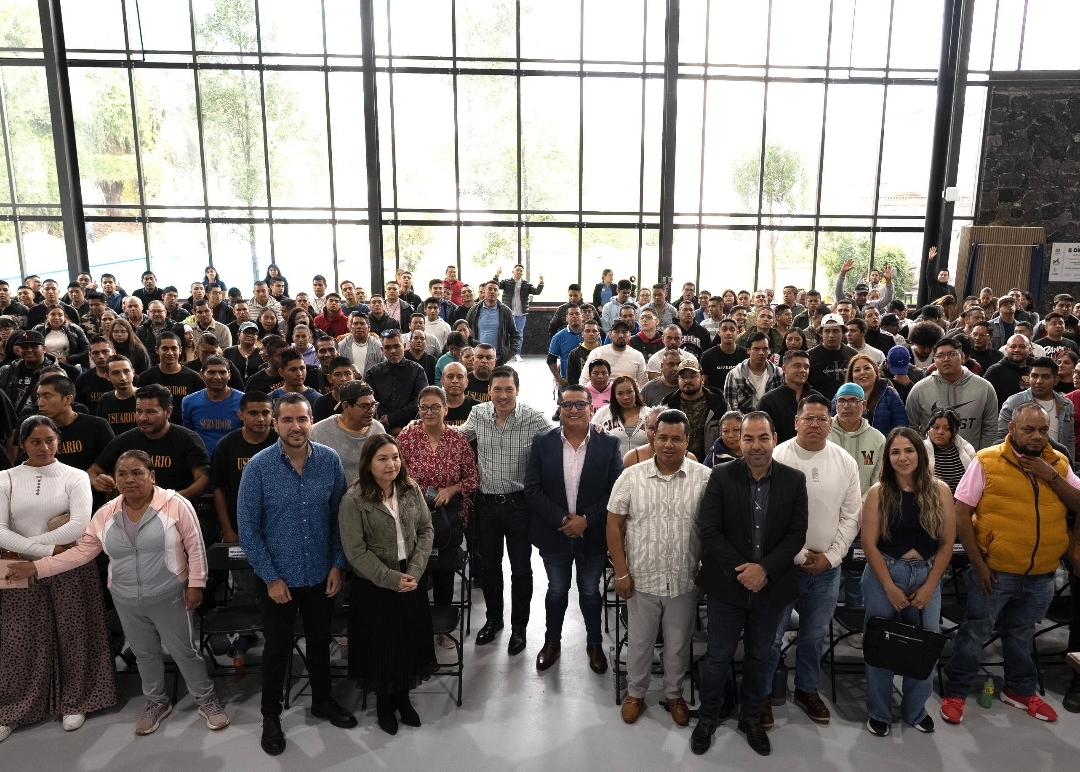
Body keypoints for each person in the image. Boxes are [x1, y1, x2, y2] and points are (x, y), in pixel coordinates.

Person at [7, 448, 229, 736]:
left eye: (137, 473)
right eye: (122, 474)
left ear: (152, 476)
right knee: (144, 654)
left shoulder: (175, 504)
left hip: (169, 593)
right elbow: (82, 553)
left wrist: (196, 585)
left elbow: (195, 547)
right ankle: (156, 702)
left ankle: (206, 699)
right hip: (125, 598)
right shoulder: (106, 513)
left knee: (185, 651)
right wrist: (37, 567)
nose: (129, 479)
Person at [941, 402, 1080, 726]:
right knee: (975, 631)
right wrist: (978, 564)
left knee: (1021, 634)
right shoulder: (987, 461)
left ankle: (1018, 690)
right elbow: (962, 513)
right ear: (1012, 429)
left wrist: (1050, 475)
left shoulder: (1058, 463)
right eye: (1029, 430)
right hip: (995, 571)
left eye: (1042, 430)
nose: (1037, 436)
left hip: (1041, 574)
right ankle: (956, 690)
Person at [237, 393, 356, 755]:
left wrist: (337, 564)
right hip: (278, 580)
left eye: (302, 419)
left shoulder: (330, 461)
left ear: (311, 422)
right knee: (276, 649)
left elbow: (340, 518)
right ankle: (271, 716)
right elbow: (248, 530)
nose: (295, 426)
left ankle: (322, 700)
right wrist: (271, 577)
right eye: (287, 419)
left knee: (320, 642)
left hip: (321, 574)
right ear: (275, 423)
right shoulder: (258, 467)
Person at [691, 411, 810, 757]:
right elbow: (709, 529)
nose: (756, 445)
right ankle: (708, 717)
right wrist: (744, 570)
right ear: (739, 441)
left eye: (762, 438)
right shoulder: (721, 476)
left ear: (775, 439)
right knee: (718, 656)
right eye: (748, 438)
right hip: (728, 585)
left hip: (771, 587)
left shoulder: (794, 480)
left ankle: (752, 718)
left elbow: (796, 534)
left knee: (760, 656)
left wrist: (764, 570)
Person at [0, 417, 116, 743]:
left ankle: (76, 701)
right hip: (15, 565)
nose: (44, 448)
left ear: (58, 441)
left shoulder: (75, 476)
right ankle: (14, 708)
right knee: (17, 637)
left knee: (74, 631)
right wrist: (45, 549)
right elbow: (0, 530)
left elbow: (78, 526)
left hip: (69, 565)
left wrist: (30, 548)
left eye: (50, 440)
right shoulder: (5, 478)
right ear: (22, 443)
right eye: (35, 442)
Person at [607, 409, 710, 727]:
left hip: (684, 578)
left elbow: (714, 530)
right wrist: (621, 572)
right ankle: (636, 693)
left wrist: (707, 573)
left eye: (676, 438)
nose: (668, 444)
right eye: (662, 437)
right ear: (653, 437)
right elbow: (613, 525)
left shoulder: (704, 478)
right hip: (642, 579)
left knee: (678, 643)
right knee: (640, 642)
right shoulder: (632, 476)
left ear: (687, 440)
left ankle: (674, 694)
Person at [765, 394, 862, 728]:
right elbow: (768, 516)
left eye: (822, 418)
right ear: (796, 422)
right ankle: (763, 693)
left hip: (826, 570)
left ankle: (807, 689)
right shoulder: (778, 457)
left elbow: (851, 516)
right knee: (772, 635)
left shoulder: (844, 461)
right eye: (808, 418)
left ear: (830, 424)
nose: (815, 424)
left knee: (814, 635)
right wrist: (795, 554)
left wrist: (831, 557)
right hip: (782, 567)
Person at [336, 434, 435, 735]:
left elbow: (426, 530)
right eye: (382, 459)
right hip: (374, 584)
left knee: (407, 642)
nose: (391, 464)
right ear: (368, 463)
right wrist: (391, 579)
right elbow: (355, 552)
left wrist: (414, 572)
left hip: (411, 578)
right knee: (381, 647)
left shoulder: (410, 489)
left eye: (395, 457)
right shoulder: (354, 500)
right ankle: (384, 704)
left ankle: (402, 698)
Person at [861, 428, 956, 737]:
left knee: (925, 644)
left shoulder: (940, 490)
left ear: (920, 453)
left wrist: (929, 586)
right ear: (888, 458)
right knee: (880, 643)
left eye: (909, 450)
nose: (903, 457)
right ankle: (879, 711)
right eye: (895, 452)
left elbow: (947, 543)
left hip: (927, 574)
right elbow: (869, 544)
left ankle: (916, 709)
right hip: (885, 573)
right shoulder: (878, 492)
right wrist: (890, 588)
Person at [524, 384, 622, 674]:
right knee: (557, 590)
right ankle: (551, 642)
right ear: (559, 409)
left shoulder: (608, 444)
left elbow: (616, 490)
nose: (574, 410)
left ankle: (594, 644)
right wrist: (564, 521)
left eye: (581, 404)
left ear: (592, 409)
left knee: (590, 591)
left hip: (593, 534)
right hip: (554, 534)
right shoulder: (543, 442)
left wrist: (587, 520)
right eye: (567, 405)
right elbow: (532, 488)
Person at [455, 365, 549, 654]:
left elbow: (559, 442)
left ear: (517, 390)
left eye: (509, 389)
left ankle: (519, 628)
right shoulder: (478, 414)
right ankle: (493, 620)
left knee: (520, 568)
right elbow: (455, 437)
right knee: (489, 567)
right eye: (497, 389)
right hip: (486, 506)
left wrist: (592, 430)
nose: (503, 395)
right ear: (489, 391)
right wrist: (421, 427)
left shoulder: (534, 418)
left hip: (519, 506)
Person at [396, 386, 478, 629]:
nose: (429, 412)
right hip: (413, 517)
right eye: (424, 407)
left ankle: (443, 627)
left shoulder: (458, 440)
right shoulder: (407, 437)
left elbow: (473, 478)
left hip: (447, 519)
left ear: (446, 409)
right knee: (415, 571)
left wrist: (451, 489)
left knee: (444, 571)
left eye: (435, 407)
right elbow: (394, 474)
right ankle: (417, 625)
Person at [89, 384, 211, 505]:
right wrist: (97, 481)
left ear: (168, 412)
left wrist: (174, 498)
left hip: (176, 509)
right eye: (139, 411)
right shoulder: (125, 440)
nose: (143, 418)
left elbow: (203, 479)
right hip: (135, 509)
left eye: (150, 412)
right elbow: (92, 471)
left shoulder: (188, 439)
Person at [906, 337, 999, 450]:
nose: (946, 359)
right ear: (934, 360)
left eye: (951, 354)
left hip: (973, 457)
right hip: (931, 458)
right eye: (940, 356)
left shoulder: (984, 388)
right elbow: (912, 428)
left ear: (963, 357)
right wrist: (924, 453)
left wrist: (981, 456)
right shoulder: (919, 389)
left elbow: (990, 427)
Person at [996, 357, 1075, 460]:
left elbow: (1069, 439)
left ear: (1055, 380)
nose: (1039, 381)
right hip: (1020, 461)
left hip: (1056, 461)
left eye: (1045, 377)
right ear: (1029, 378)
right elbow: (1001, 437)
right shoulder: (1013, 403)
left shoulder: (1066, 404)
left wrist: (1069, 463)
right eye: (1034, 376)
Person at [34, 373, 114, 473]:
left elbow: (113, 462)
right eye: (38, 397)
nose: (40, 403)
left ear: (68, 399)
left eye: (47, 397)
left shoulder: (97, 426)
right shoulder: (36, 431)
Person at [310, 381, 385, 486]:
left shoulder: (378, 430)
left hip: (371, 492)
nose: (371, 411)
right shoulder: (318, 432)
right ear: (346, 406)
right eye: (364, 406)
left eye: (373, 405)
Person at [661, 359, 729, 461]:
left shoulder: (719, 404)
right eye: (683, 377)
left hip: (711, 462)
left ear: (702, 379)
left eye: (692, 376)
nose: (687, 380)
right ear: (678, 379)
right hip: (676, 462)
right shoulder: (667, 405)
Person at [365, 330, 428, 435]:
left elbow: (420, 401)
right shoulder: (372, 373)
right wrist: (387, 422)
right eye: (388, 347)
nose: (393, 351)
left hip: (411, 428)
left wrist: (392, 419)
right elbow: (370, 401)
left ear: (404, 346)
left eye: (396, 346)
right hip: (380, 428)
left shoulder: (417, 370)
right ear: (382, 350)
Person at [136, 332, 205, 423]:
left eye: (174, 348)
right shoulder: (145, 378)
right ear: (157, 350)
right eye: (165, 348)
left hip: (185, 428)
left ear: (180, 350)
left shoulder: (193, 378)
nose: (170, 353)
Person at [181, 355, 243, 457]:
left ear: (229, 375)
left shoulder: (243, 401)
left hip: (233, 460)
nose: (217, 377)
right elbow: (188, 436)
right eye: (211, 372)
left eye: (222, 372)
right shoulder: (189, 402)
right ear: (202, 374)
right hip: (201, 461)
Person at [758, 349, 819, 444]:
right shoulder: (768, 401)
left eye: (806, 367)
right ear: (784, 368)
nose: (803, 370)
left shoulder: (817, 399)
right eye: (797, 366)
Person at [845, 352, 908, 435]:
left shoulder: (890, 394)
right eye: (857, 370)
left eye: (867, 368)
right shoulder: (841, 397)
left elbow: (901, 427)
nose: (862, 372)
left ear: (876, 372)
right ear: (851, 376)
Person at [492, 265, 543, 362]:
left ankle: (517, 353)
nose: (519, 272)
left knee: (519, 334)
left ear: (522, 273)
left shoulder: (526, 284)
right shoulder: (507, 282)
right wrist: (497, 275)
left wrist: (541, 282)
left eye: (521, 270)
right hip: (508, 313)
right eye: (517, 270)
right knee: (505, 333)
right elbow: (496, 285)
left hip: (521, 313)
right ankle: (505, 352)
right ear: (513, 271)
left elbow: (536, 291)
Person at [591, 375, 651, 455]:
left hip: (644, 462)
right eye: (620, 394)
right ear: (614, 396)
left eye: (629, 392)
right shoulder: (603, 412)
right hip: (612, 462)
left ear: (636, 392)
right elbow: (591, 438)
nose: (625, 397)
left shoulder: (649, 414)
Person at [923, 407, 976, 494]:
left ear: (955, 431)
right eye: (936, 427)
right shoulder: (921, 450)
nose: (940, 432)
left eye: (947, 428)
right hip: (932, 500)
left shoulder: (968, 450)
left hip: (961, 500)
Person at [467, 281, 520, 365]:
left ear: (498, 294)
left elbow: (514, 334)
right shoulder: (474, 310)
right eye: (490, 289)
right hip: (478, 357)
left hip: (497, 358)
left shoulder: (505, 311)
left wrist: (510, 353)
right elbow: (466, 332)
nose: (492, 292)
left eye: (495, 290)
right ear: (484, 292)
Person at [807, 313, 857, 400]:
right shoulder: (809, 356)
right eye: (827, 331)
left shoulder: (853, 354)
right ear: (821, 333)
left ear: (843, 333)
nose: (831, 335)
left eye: (835, 331)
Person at [984, 334, 1033, 408]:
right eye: (1013, 347)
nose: (1017, 350)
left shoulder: (1038, 368)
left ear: (1030, 350)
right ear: (1006, 350)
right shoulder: (995, 371)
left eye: (1022, 347)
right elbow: (987, 401)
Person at [98, 355, 138, 435]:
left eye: (126, 371)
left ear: (133, 372)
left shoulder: (147, 397)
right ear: (107, 376)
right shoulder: (105, 400)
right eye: (116, 373)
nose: (123, 378)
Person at [337, 311, 385, 378]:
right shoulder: (342, 346)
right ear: (351, 327)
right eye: (355, 323)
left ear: (369, 327)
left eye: (362, 323)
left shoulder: (378, 346)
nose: (359, 326)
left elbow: (384, 368)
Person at [75, 336, 114, 413]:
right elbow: (79, 410)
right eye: (95, 353)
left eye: (105, 352)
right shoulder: (82, 380)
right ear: (90, 355)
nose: (101, 356)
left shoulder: (127, 377)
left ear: (114, 352)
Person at [312, 356, 356, 423]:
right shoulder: (321, 404)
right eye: (337, 375)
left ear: (354, 376)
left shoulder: (361, 400)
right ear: (329, 378)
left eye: (347, 374)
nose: (343, 379)